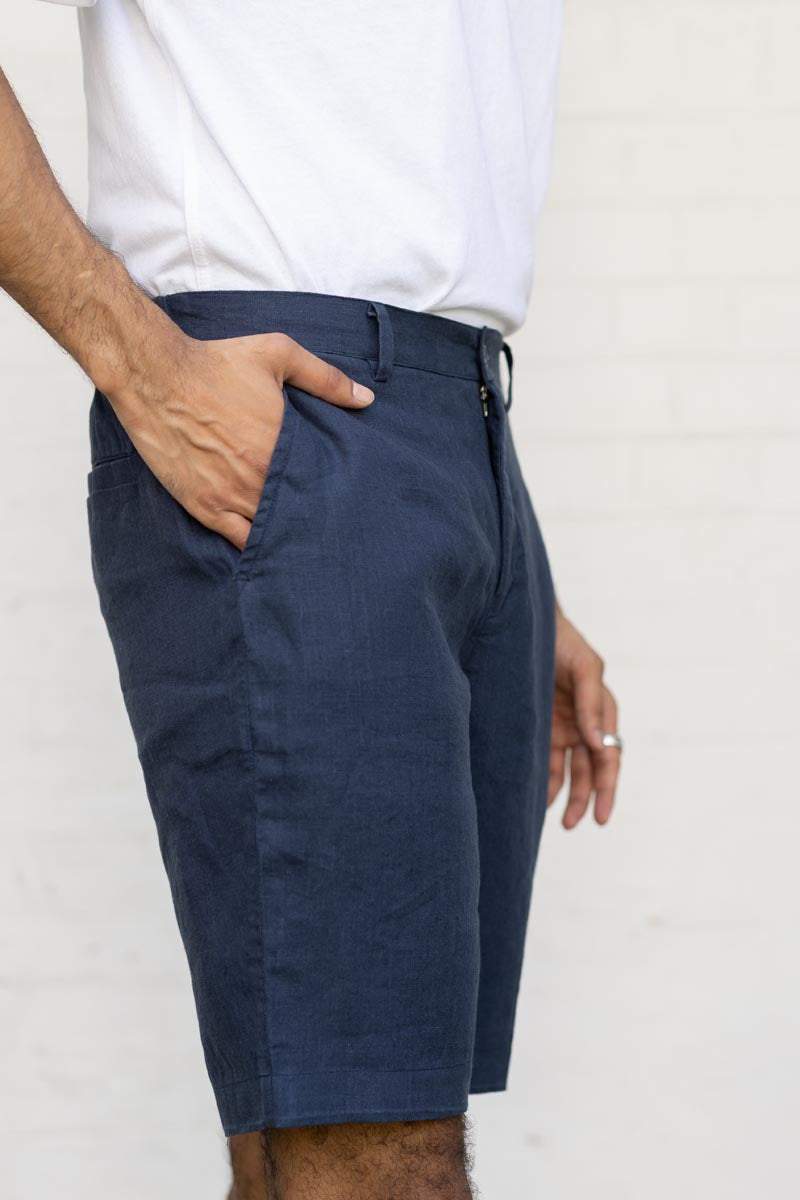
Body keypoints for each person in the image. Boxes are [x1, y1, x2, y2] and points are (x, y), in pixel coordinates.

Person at [2, 1, 621, 1195]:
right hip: (291, 419)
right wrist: (135, 356)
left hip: (457, 430)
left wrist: (491, 534)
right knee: (377, 1159)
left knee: (328, 1145)